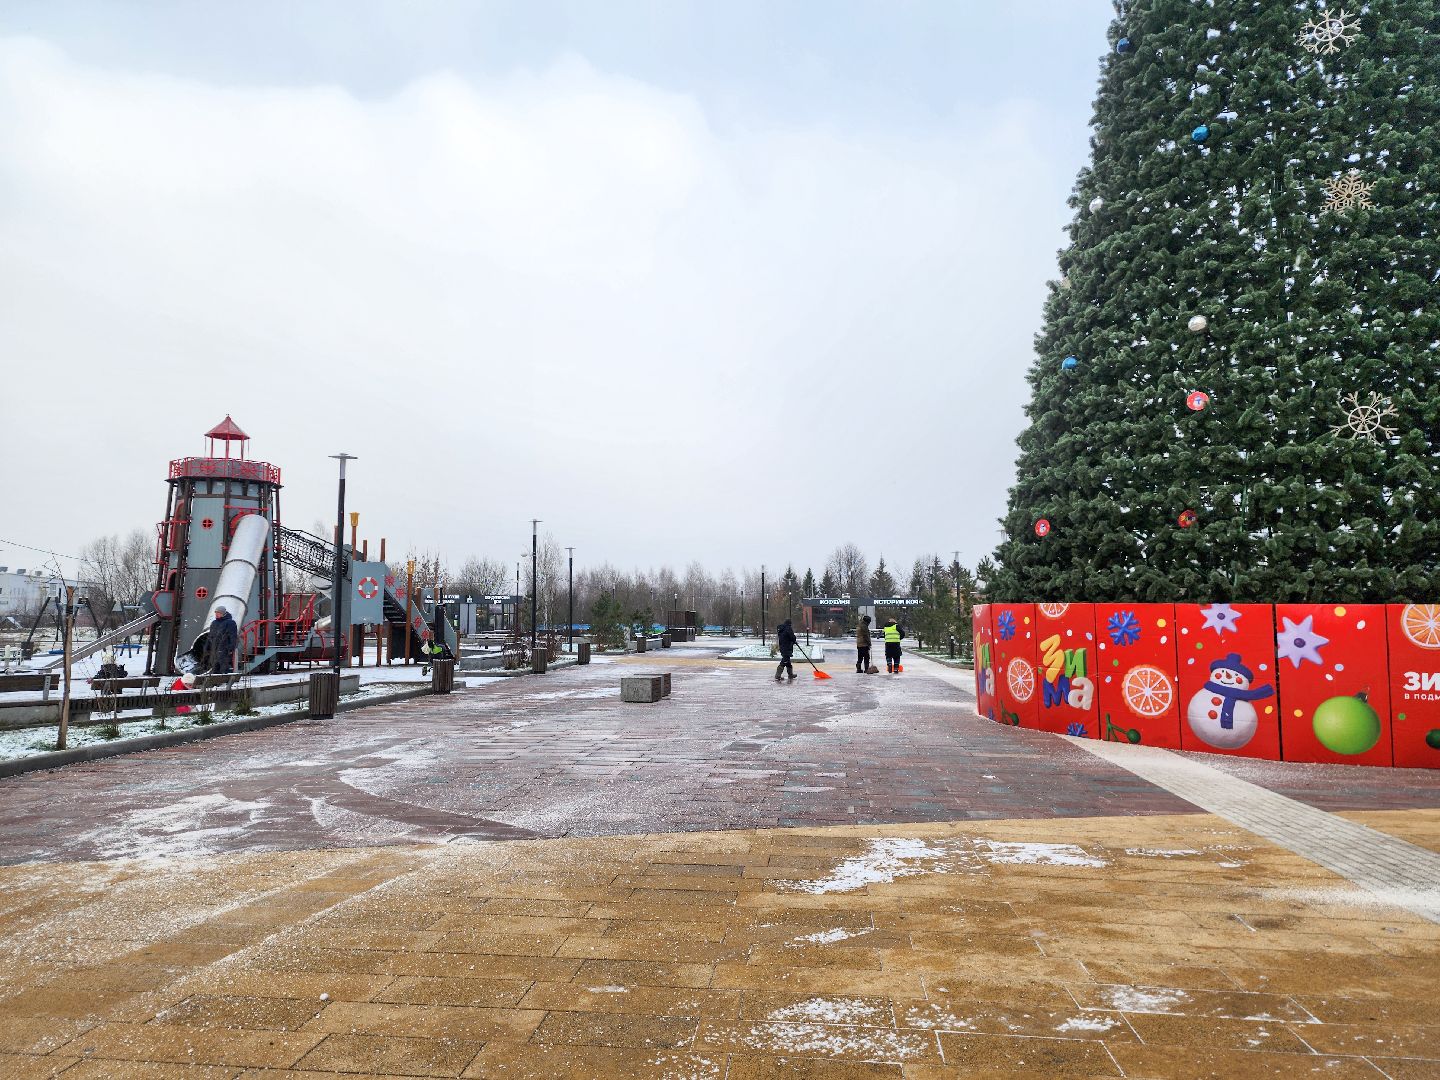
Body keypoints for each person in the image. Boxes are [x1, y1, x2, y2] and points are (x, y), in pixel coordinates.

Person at [206, 606, 239, 674]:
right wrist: (208, 646)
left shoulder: (230, 622)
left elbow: (233, 636)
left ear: (223, 613)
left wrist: (230, 648)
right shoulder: (214, 623)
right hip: (214, 648)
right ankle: (215, 682)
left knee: (224, 666)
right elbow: (211, 636)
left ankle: (224, 681)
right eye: (216, 612)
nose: (216, 614)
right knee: (214, 666)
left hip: (224, 648)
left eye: (219, 612)